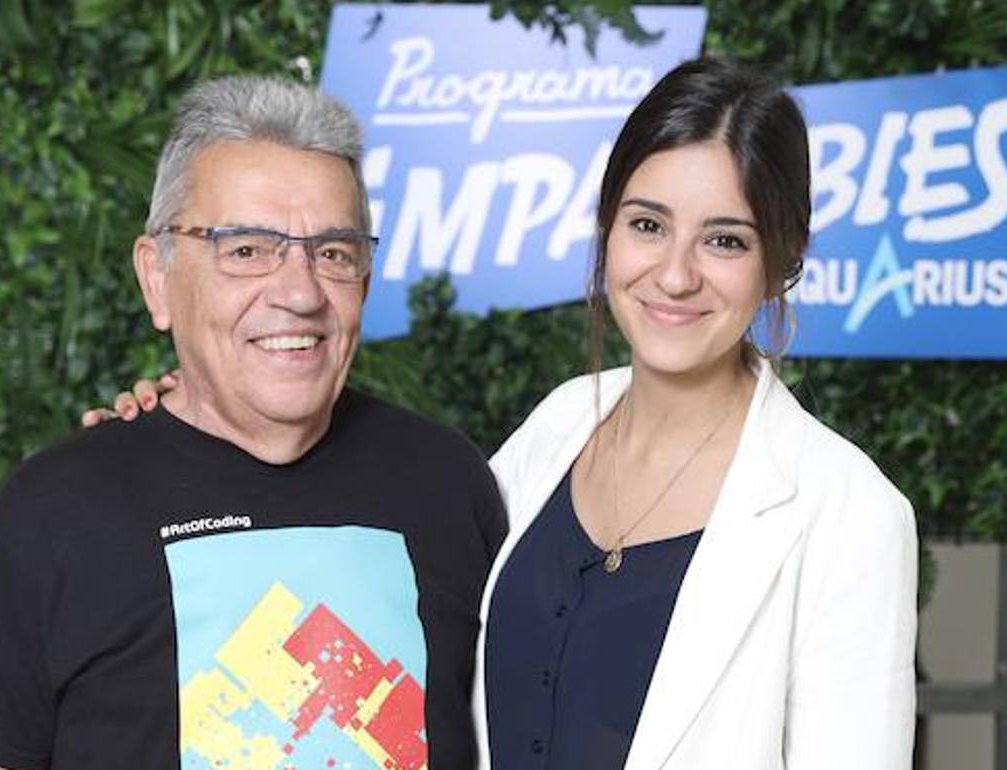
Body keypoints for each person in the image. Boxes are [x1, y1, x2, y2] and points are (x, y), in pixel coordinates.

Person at [94, 58, 918, 769]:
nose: (674, 275)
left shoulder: (849, 516)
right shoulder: (557, 430)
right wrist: (183, 433)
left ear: (783, 260)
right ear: (608, 231)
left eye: (725, 240)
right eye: (648, 225)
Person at [0, 75, 506, 770]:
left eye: (332, 253)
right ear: (158, 278)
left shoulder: (448, 480)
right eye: (247, 249)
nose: (299, 292)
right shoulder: (56, 509)